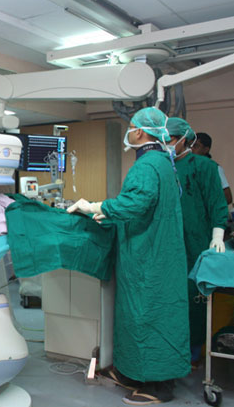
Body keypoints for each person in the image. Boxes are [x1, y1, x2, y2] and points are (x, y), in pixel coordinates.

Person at [67, 107, 190, 405]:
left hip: (149, 259)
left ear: (140, 132)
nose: (129, 131)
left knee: (149, 317)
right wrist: (108, 215)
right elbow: (146, 205)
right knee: (136, 317)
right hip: (155, 253)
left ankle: (160, 385)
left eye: (131, 126)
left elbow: (136, 203)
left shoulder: (148, 165)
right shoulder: (163, 162)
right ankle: (133, 372)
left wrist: (97, 207)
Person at [167, 118, 229, 365]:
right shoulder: (161, 167)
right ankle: (169, 348)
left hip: (195, 242)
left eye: (170, 139)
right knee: (169, 297)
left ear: (184, 140)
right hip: (167, 243)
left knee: (194, 297)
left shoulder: (205, 167)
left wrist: (217, 235)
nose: (166, 144)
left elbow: (217, 203)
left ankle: (193, 352)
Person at [191, 132, 233, 205]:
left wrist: (210, 207)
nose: (191, 149)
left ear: (206, 150)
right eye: (190, 146)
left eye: (196, 146)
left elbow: (228, 198)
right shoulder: (188, 167)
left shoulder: (215, 168)